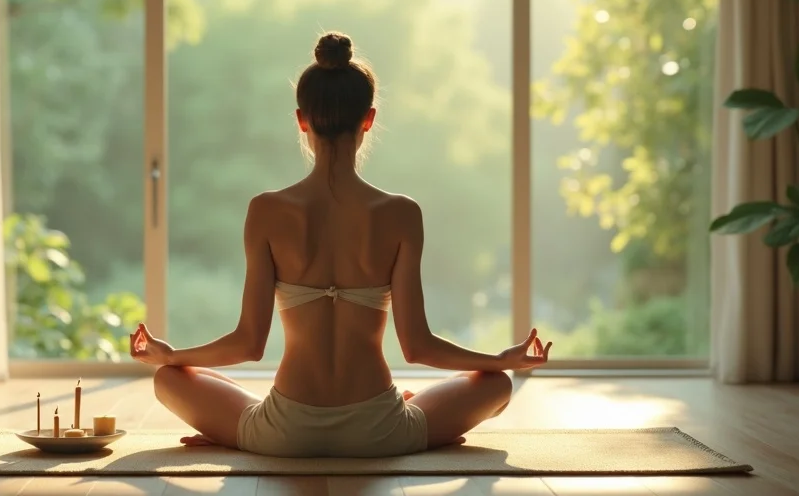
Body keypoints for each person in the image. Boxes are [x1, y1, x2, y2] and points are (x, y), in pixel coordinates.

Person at [129, 31, 552, 458]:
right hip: (381, 431)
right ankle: (411, 408)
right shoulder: (402, 213)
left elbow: (248, 344)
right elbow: (419, 346)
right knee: (497, 384)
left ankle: (233, 431)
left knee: (170, 377)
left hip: (284, 433)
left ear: (301, 119)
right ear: (368, 120)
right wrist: (502, 360)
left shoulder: (266, 211)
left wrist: (172, 354)